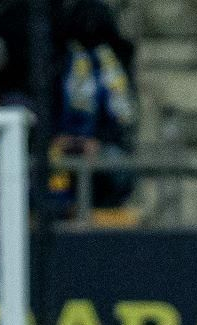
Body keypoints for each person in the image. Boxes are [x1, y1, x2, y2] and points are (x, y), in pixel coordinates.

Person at [54, 0, 138, 209]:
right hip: (60, 143)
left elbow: (124, 120)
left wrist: (99, 142)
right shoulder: (61, 60)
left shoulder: (115, 63)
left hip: (103, 147)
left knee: (115, 162)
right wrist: (57, 137)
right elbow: (47, 103)